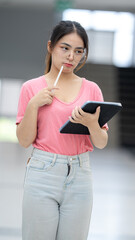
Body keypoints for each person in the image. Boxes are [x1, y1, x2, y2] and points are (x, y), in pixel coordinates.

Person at [16, 20, 108, 240]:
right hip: (42, 172)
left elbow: (102, 141)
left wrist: (91, 124)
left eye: (78, 52)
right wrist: (33, 105)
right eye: (64, 48)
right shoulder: (31, 88)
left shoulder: (92, 89)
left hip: (80, 175)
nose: (71, 57)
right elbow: (24, 140)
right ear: (51, 47)